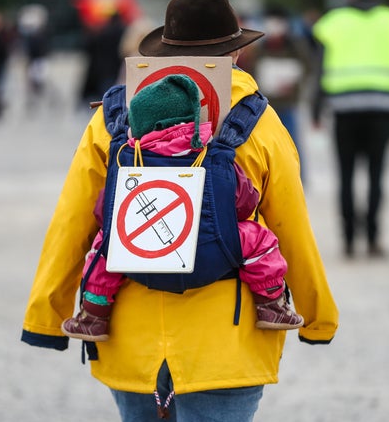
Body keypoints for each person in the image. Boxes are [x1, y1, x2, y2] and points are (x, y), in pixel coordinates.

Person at [22, 0, 337, 422]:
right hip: (228, 339)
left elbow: (73, 221)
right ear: (237, 53)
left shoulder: (113, 118)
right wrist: (318, 317)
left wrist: (45, 317)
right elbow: (291, 227)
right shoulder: (259, 122)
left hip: (129, 335)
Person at [61, 74, 304, 342]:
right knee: (259, 239)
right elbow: (245, 202)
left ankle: (95, 315)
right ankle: (270, 304)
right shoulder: (212, 154)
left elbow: (102, 211)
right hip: (213, 255)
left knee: (104, 247)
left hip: (140, 256)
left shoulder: (127, 159)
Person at [311, 0, 389, 258]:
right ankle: (372, 239)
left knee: (345, 176)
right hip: (383, 110)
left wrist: (315, 109)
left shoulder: (332, 23)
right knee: (376, 175)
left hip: (344, 110)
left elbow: (319, 71)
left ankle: (348, 240)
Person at [248, 6, 314, 184]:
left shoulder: (295, 45)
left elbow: (307, 68)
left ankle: (297, 177)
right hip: (266, 103)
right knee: (267, 143)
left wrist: (293, 82)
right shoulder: (261, 47)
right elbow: (253, 71)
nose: (274, 26)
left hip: (288, 102)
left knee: (291, 140)